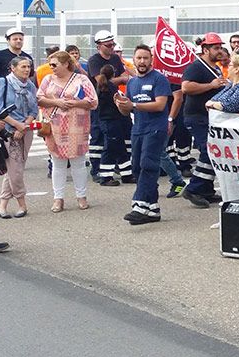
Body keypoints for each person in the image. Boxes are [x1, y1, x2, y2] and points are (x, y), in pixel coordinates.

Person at [114, 45, 172, 225]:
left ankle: (139, 205)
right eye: (138, 58)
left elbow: (160, 105)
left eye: (145, 58)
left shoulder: (159, 79)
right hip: (138, 128)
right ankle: (152, 209)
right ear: (134, 59)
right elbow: (128, 110)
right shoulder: (132, 82)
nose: (142, 61)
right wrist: (121, 106)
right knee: (137, 167)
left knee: (148, 164)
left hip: (156, 128)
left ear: (151, 60)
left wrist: (134, 106)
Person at [37, 51, 97, 212]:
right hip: (55, 126)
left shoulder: (81, 79)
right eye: (50, 65)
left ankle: (81, 196)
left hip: (77, 126)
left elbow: (93, 101)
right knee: (57, 163)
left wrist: (74, 103)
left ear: (65, 64)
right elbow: (39, 98)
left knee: (78, 162)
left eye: (54, 64)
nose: (52, 68)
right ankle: (58, 198)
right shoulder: (48, 79)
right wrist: (56, 101)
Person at [181, 34, 227, 208]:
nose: (220, 51)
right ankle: (193, 188)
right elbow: (186, 87)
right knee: (209, 151)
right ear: (205, 50)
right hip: (196, 116)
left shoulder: (214, 68)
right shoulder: (196, 67)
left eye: (220, 47)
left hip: (208, 116)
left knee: (214, 151)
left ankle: (206, 189)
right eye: (215, 48)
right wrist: (211, 86)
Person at [0, 57, 38, 219]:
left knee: (13, 169)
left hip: (26, 131)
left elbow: (34, 109)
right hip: (8, 131)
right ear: (12, 68)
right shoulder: (3, 83)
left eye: (29, 67)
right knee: (15, 170)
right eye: (23, 66)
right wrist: (17, 125)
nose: (27, 70)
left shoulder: (31, 85)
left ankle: (2, 205)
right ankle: (21, 203)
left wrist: (25, 125)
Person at [92, 64, 133, 187]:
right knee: (110, 149)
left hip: (105, 121)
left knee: (120, 148)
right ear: (113, 74)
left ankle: (127, 174)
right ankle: (105, 176)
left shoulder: (99, 87)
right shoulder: (111, 88)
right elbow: (120, 102)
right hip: (112, 121)